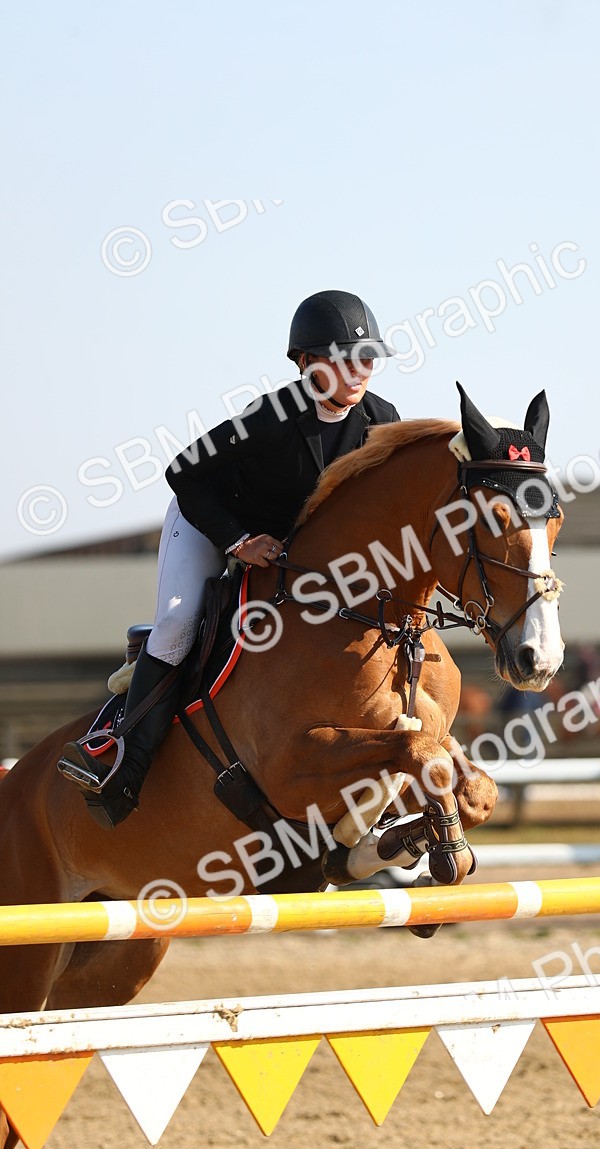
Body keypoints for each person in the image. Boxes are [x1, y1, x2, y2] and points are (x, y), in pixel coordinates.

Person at [58, 290, 399, 829]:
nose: (361, 371)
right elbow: (183, 472)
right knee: (176, 624)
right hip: (209, 521)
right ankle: (121, 759)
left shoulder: (381, 419)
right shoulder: (270, 415)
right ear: (309, 364)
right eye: (346, 359)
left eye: (368, 359)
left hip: (284, 547)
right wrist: (239, 540)